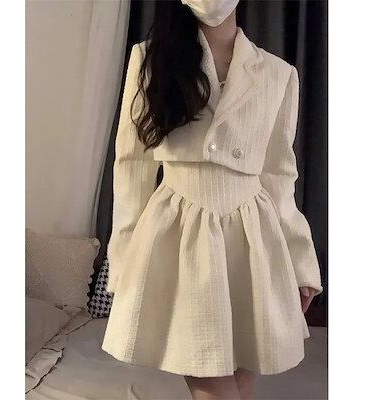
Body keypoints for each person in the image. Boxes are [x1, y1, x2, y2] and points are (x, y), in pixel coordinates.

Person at [101, 1, 323, 399]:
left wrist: (300, 260)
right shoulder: (150, 60)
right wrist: (124, 263)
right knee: (209, 376)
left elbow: (278, 176)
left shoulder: (278, 74)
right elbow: (131, 166)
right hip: (180, 233)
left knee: (242, 372)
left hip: (252, 237)